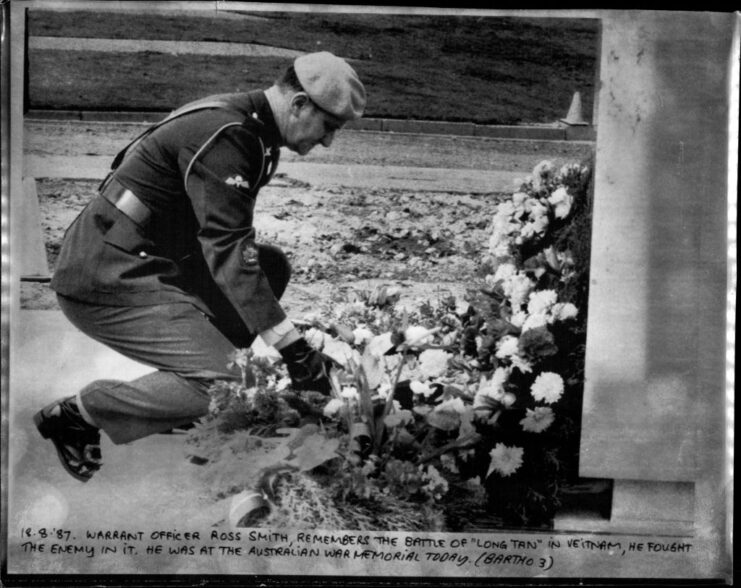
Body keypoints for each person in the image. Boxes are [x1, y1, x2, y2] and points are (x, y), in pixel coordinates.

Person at [34, 51, 367, 482]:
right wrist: (293, 347)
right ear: (299, 104)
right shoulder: (231, 135)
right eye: (329, 126)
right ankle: (78, 414)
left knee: (272, 266)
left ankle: (188, 397)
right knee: (221, 382)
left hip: (142, 256)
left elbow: (230, 248)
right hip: (104, 275)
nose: (327, 142)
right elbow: (229, 250)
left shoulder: (249, 126)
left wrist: (291, 343)